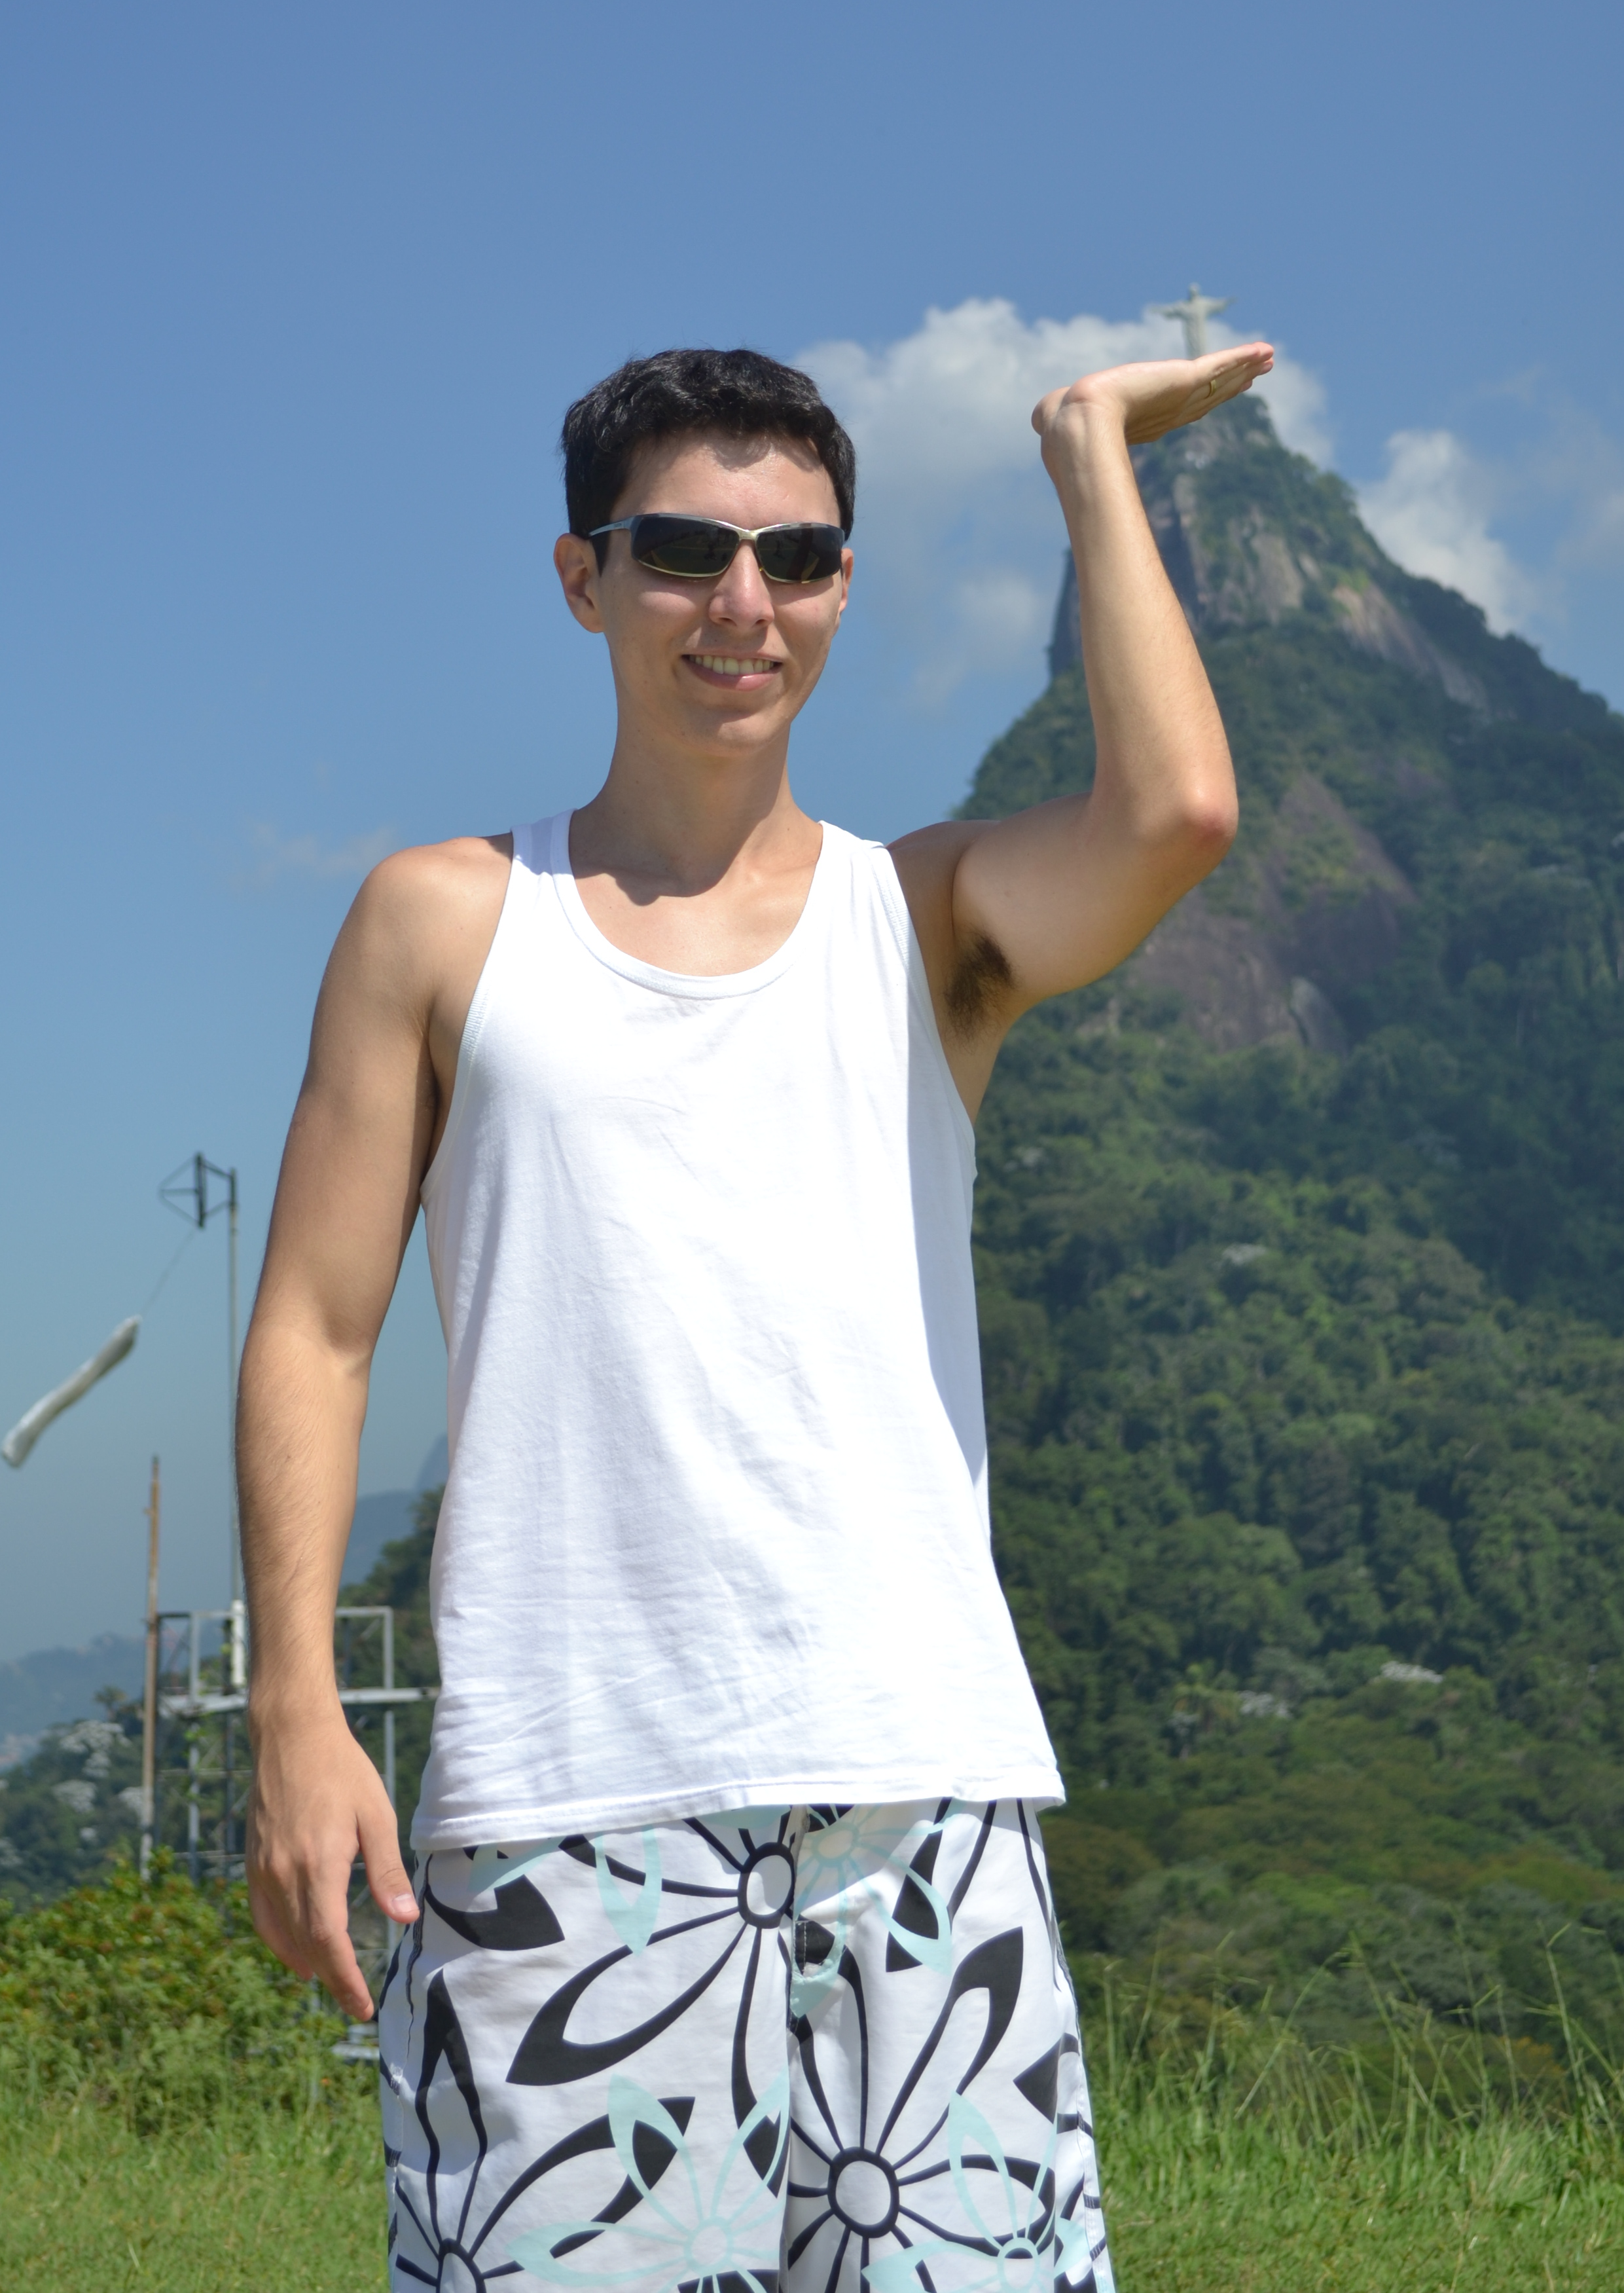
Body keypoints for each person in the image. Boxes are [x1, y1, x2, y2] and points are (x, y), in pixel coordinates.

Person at [238, 334, 1271, 2293]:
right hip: (563, 1814)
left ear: (844, 587)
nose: (744, 603)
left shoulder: (924, 920)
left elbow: (1177, 816)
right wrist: (297, 1703)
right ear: (583, 578)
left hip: (920, 1799)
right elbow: (314, 1325)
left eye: (797, 558)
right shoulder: (442, 921)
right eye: (684, 551)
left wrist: (1088, 457)